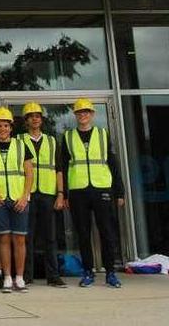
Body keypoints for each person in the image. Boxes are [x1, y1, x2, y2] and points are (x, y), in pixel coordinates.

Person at [59, 98, 125, 289]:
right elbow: (63, 166)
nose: (83, 115)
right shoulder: (68, 137)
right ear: (75, 115)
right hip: (78, 191)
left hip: (102, 188)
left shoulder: (103, 134)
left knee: (107, 232)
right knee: (83, 233)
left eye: (86, 112)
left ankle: (110, 272)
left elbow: (113, 164)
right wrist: (65, 194)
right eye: (80, 112)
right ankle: (88, 272)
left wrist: (119, 192)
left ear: (92, 114)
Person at [0, 107, 34, 293]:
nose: (2, 129)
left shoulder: (21, 145)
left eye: (6, 125)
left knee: (20, 239)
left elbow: (29, 174)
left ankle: (19, 278)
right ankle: (6, 277)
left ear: (11, 127)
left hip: (19, 199)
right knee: (3, 238)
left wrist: (24, 196)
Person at [19, 102, 67, 288]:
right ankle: (27, 275)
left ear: (41, 119)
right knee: (26, 236)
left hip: (48, 193)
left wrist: (61, 194)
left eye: (37, 115)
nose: (35, 118)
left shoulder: (52, 141)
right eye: (31, 116)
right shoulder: (19, 140)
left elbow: (59, 170)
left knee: (50, 236)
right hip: (28, 193)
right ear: (26, 120)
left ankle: (53, 276)